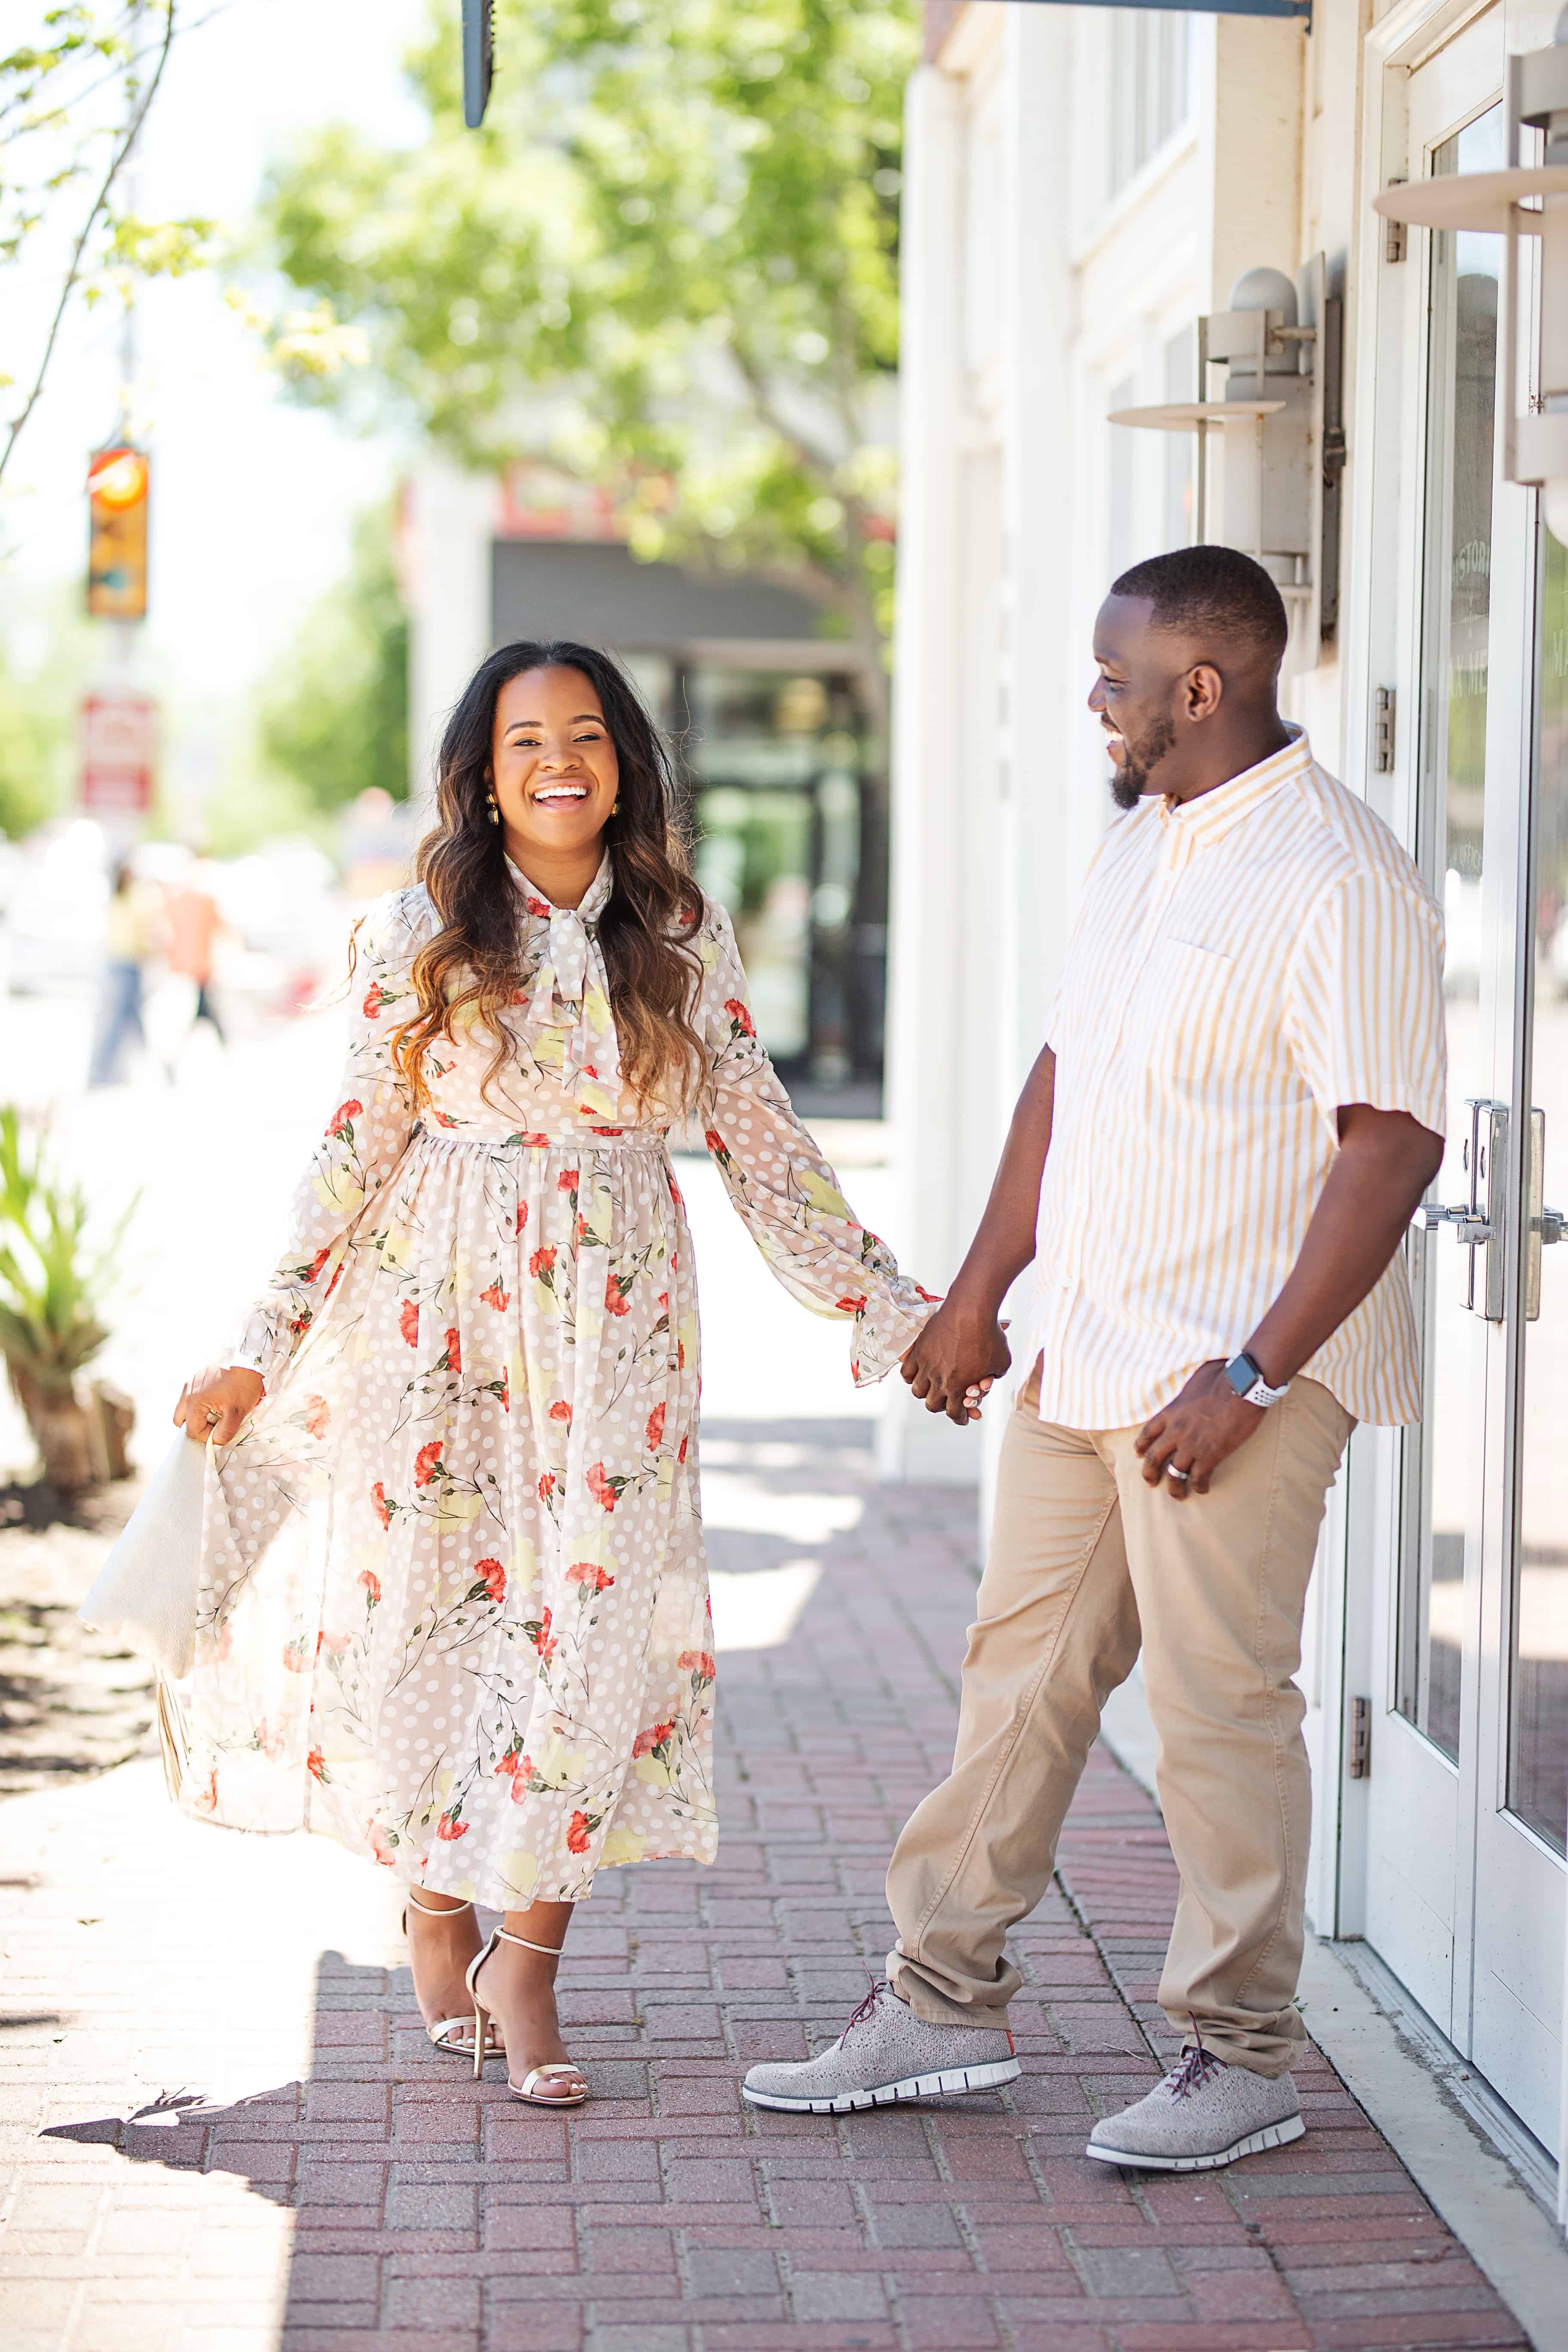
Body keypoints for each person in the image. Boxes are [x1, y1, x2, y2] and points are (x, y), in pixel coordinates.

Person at [741, 546, 1447, 2173]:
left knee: (1216, 1711)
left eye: (1112, 672)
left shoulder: (1340, 876)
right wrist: (982, 1289)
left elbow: (1387, 1147)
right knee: (1018, 1676)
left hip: (1234, 1375)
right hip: (1087, 1351)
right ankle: (940, 1995)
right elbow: (1064, 1077)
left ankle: (1239, 2052)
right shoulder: (1136, 842)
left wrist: (1250, 1374)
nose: (1092, 696)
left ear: (1199, 688)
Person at [172, 641, 938, 2107]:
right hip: (438, 1316)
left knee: (591, 1641)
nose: (558, 759)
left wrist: (892, 1310)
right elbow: (350, 1153)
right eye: (527, 738)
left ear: (623, 760)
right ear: (484, 769)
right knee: (434, 1626)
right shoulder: (419, 933)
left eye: (585, 733)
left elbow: (764, 1145)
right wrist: (257, 1347)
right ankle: (437, 1905)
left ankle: (525, 1953)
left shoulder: (678, 932)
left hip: (621, 1324)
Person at [88, 860, 161, 1087]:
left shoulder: (128, 899)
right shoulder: (124, 900)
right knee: (116, 1020)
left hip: (129, 965)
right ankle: (102, 1074)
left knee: (131, 1021)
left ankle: (121, 1072)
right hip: (123, 965)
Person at [163, 852, 227, 1047]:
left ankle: (174, 1054)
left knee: (190, 1016)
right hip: (197, 970)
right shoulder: (205, 901)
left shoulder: (178, 901)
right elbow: (224, 932)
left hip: (188, 970)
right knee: (191, 1016)